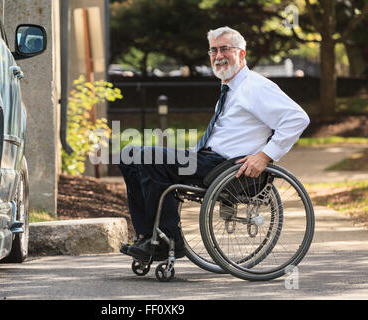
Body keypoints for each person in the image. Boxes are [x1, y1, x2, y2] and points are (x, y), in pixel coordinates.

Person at [119, 26, 310, 261]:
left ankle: (167, 240)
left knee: (148, 157)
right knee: (128, 156)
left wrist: (265, 156)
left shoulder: (256, 87)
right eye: (213, 50)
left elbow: (297, 118)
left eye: (225, 49)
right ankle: (147, 236)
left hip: (227, 167)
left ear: (241, 54)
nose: (218, 56)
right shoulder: (230, 88)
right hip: (209, 159)